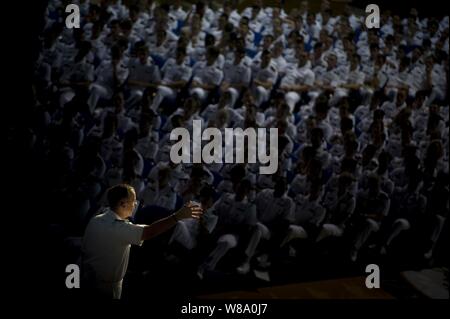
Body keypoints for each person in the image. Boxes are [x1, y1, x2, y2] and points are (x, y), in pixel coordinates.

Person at [82, 184, 202, 299]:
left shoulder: (98, 220)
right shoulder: (119, 227)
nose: (135, 204)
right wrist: (177, 217)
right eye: (132, 202)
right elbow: (149, 232)